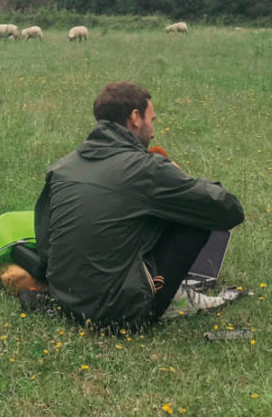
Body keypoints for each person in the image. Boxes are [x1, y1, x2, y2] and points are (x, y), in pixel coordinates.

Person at [32, 81, 245, 329]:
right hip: (120, 313)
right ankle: (175, 300)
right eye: (152, 120)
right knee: (193, 215)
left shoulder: (61, 168)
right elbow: (229, 210)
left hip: (64, 302)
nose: (153, 132)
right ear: (135, 118)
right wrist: (181, 180)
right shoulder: (147, 170)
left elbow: (46, 244)